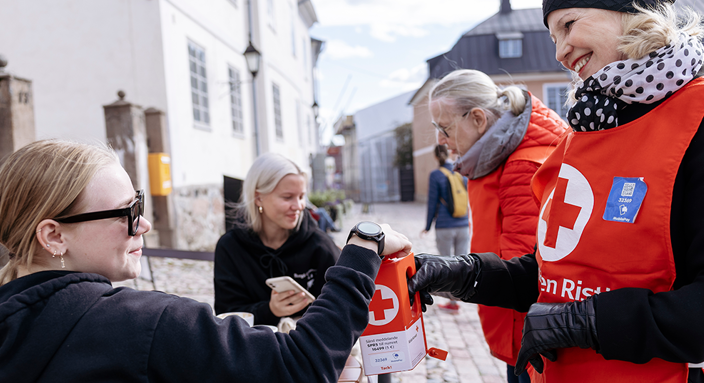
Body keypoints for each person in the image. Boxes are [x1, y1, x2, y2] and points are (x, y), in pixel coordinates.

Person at [409, 0, 704, 382]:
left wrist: (584, 323)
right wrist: (462, 273)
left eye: (569, 24)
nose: (560, 51)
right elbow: (557, 273)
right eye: (553, 36)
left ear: (630, 9)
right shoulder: (588, 129)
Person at [0, 139, 412, 382]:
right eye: (126, 212)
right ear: (53, 235)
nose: (143, 224)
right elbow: (301, 366)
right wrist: (364, 246)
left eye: (139, 204)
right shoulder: (143, 323)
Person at [427, 68, 568, 382]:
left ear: (478, 119)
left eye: (445, 128)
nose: (440, 139)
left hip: (528, 337)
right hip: (517, 326)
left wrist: (451, 277)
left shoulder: (520, 165)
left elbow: (522, 272)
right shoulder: (500, 156)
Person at [214, 152, 341, 326]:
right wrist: (270, 310)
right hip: (253, 347)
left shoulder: (320, 244)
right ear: (258, 198)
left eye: (302, 196)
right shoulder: (230, 247)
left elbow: (341, 308)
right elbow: (225, 317)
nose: (298, 206)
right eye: (287, 197)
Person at [421, 144, 471, 312]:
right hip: (463, 225)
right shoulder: (460, 171)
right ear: (450, 153)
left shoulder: (436, 175)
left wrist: (427, 226)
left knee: (447, 265)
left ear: (436, 157)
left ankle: (452, 302)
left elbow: (432, 202)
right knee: (463, 264)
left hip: (444, 227)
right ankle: (461, 298)